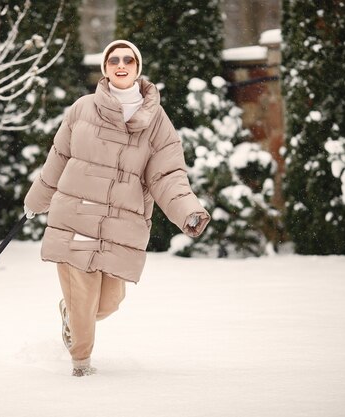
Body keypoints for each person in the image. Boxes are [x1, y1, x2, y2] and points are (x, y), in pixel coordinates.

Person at [23, 40, 210, 377]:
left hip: (120, 225)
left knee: (108, 302)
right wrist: (37, 199)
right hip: (76, 216)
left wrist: (187, 209)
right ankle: (81, 367)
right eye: (114, 60)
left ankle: (69, 313)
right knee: (83, 299)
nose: (120, 65)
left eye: (128, 60)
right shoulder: (82, 108)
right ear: (104, 68)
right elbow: (58, 158)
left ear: (137, 68)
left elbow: (167, 173)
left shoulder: (156, 121)